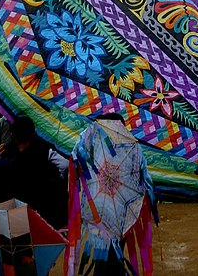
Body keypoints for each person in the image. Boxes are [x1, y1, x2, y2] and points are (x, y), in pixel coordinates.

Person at [66, 112, 158, 276]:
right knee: (111, 256)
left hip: (102, 213)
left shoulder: (98, 150)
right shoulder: (130, 150)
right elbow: (142, 183)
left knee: (107, 257)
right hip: (118, 213)